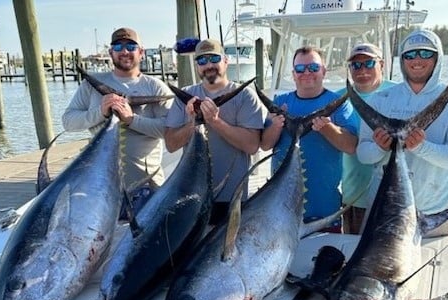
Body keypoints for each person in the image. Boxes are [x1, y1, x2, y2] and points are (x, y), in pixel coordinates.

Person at [357, 29, 448, 237]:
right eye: (410, 54)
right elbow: (363, 154)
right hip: (383, 212)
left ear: (437, 57)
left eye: (425, 53)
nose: (417, 59)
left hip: (435, 215)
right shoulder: (381, 99)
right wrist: (379, 148)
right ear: (402, 60)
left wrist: (422, 147)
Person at [164, 38, 265, 226]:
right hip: (191, 198)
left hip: (231, 198)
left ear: (225, 61)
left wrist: (215, 121)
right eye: (202, 61)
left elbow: (252, 145)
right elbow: (171, 144)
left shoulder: (244, 96)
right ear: (196, 66)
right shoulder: (183, 97)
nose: (208, 65)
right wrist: (195, 122)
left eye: (214, 59)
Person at [260, 46, 358, 233]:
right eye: (300, 69)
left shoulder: (339, 103)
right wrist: (276, 126)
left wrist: (327, 128)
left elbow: (351, 146)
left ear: (323, 71)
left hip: (324, 209)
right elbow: (265, 145)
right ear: (293, 74)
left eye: (313, 67)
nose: (306, 73)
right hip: (281, 206)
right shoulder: (280, 102)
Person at [62, 27, 173, 190]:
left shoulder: (156, 87)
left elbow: (171, 131)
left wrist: (131, 119)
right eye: (118, 47)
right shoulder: (90, 85)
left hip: (146, 186)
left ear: (141, 52)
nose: (125, 51)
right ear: (110, 52)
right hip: (98, 185)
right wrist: (100, 112)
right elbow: (68, 122)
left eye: (131, 47)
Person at [337, 43, 396, 234]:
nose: (362, 70)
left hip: (394, 194)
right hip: (355, 195)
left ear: (382, 64)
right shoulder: (338, 99)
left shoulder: (400, 95)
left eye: (369, 63)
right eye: (356, 65)